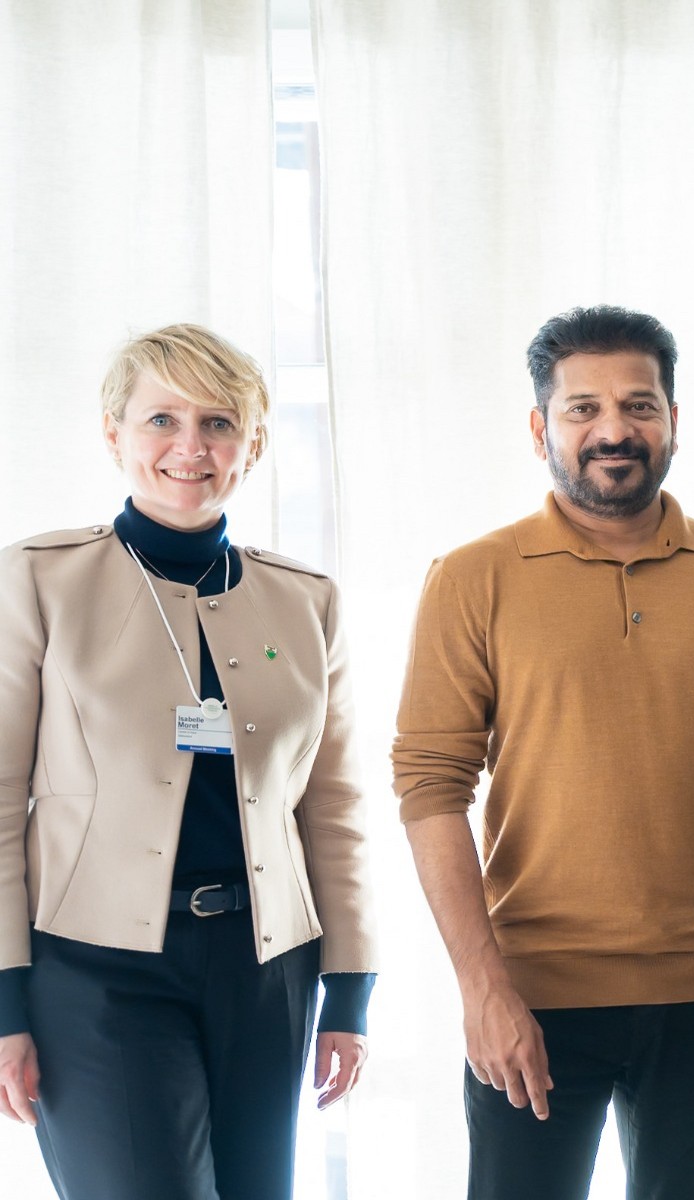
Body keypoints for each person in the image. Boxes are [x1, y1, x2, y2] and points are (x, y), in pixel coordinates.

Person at [393, 304, 694, 1200]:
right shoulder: (474, 576)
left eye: (639, 404)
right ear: (539, 426)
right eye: (583, 407)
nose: (613, 429)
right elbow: (431, 785)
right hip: (533, 995)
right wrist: (483, 990)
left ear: (674, 420)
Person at [0, 324, 378, 1200]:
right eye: (160, 419)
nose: (189, 448)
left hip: (266, 968)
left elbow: (335, 809)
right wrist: (6, 1004)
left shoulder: (305, 600)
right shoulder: (39, 581)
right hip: (95, 971)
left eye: (218, 423)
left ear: (250, 446)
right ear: (113, 434)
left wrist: (349, 993)